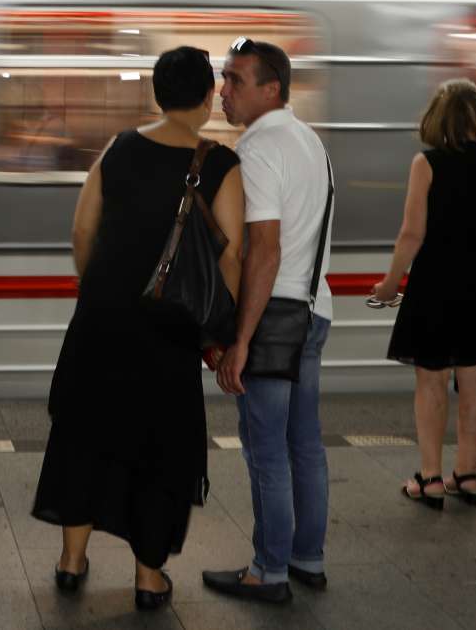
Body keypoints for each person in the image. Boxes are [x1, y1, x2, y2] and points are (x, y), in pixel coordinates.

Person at [32, 46, 245, 610]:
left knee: (84, 433)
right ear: (206, 98)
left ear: (157, 93)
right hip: (168, 331)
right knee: (159, 447)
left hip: (101, 321)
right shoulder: (220, 164)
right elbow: (232, 255)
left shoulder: (119, 147)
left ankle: (72, 561)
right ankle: (149, 577)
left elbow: (82, 231)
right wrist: (220, 326)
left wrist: (101, 290)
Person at [207, 37, 333, 603]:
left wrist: (242, 338)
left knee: (265, 448)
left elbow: (265, 248)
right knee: (305, 442)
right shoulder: (311, 143)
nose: (223, 91)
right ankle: (307, 556)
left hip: (273, 314)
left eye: (235, 79)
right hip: (313, 309)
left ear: (271, 88)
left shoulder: (257, 149)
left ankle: (268, 570)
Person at [374, 79, 476, 509]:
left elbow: (411, 233)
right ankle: (468, 474)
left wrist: (389, 283)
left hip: (436, 283)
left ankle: (431, 477)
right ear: (475, 116)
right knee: (475, 380)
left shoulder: (428, 163)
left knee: (431, 379)